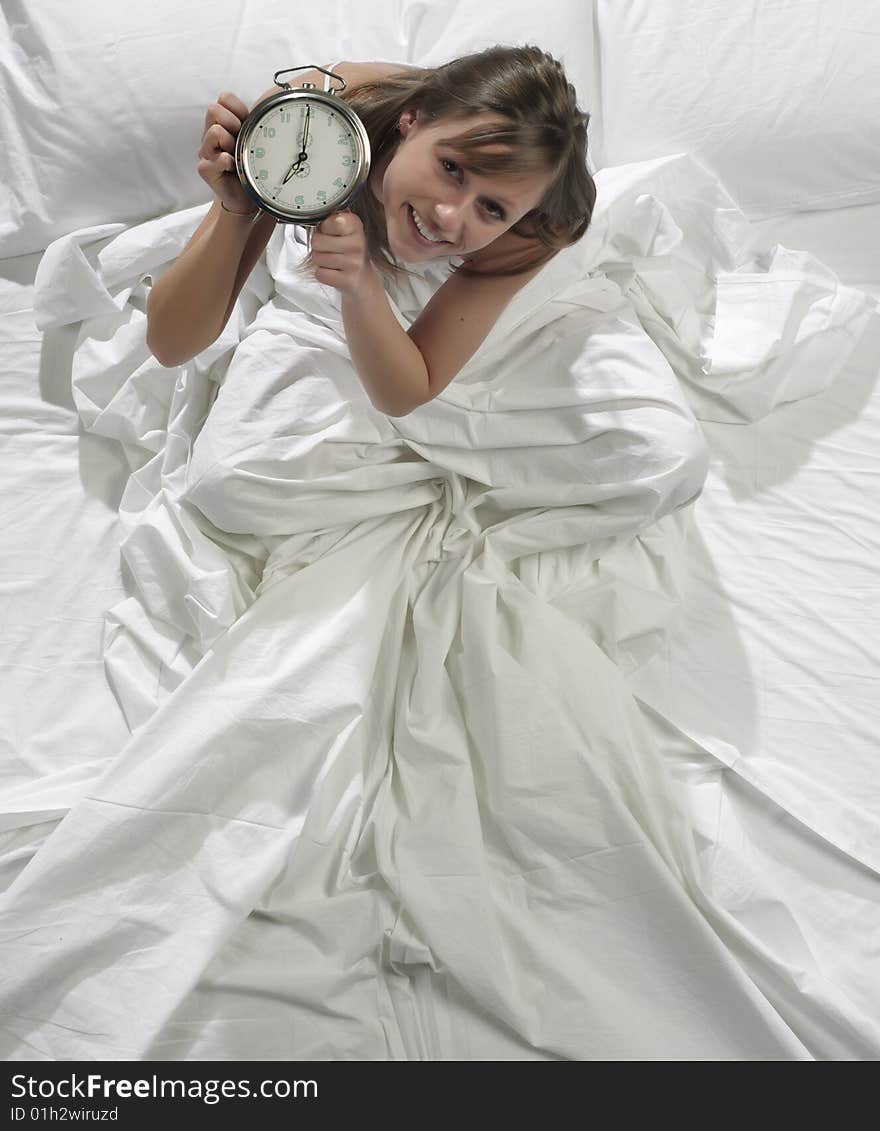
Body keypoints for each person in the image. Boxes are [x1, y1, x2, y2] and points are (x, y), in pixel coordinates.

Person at [146, 45, 597, 417]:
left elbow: (405, 393)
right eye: (451, 168)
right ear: (411, 119)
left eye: (492, 208)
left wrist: (361, 285)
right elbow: (169, 345)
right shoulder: (315, 119)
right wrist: (237, 207)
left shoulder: (533, 229)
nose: (449, 216)